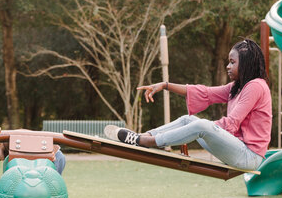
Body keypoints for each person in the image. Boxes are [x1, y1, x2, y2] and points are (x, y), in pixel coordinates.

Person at [105, 39, 271, 171]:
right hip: (235, 148)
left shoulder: (255, 86)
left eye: (232, 62)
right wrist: (165, 85)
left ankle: (148, 142)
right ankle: (143, 136)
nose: (228, 66)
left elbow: (231, 124)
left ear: (246, 64)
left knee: (202, 125)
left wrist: (204, 128)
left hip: (249, 156)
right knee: (187, 120)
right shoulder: (237, 87)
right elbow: (204, 93)